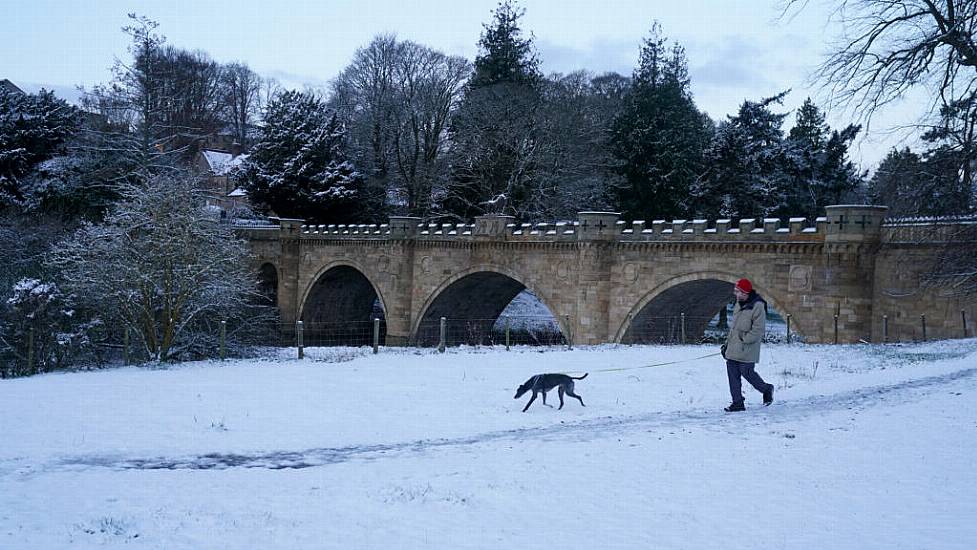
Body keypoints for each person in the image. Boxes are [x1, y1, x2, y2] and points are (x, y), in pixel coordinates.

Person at [721, 278, 774, 412]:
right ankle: (737, 402)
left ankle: (766, 389)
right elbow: (734, 327)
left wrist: (744, 339)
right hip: (733, 347)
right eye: (736, 291)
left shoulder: (758, 306)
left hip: (747, 348)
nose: (736, 294)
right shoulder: (739, 304)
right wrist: (726, 344)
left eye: (739, 292)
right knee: (732, 374)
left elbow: (758, 329)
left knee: (747, 373)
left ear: (745, 292)